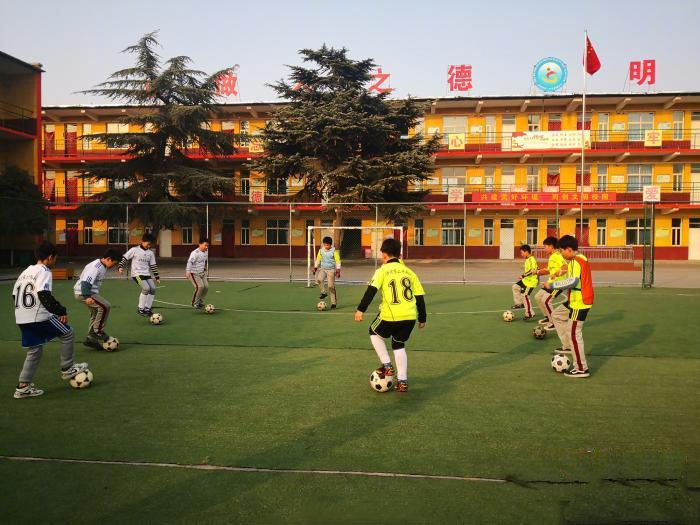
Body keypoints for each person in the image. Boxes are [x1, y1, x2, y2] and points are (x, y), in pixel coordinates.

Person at [12, 241, 89, 399]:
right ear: (49, 257)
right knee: (68, 333)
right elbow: (43, 294)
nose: (55, 261)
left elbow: (14, 295)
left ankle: (23, 387)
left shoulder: (26, 271)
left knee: (35, 350)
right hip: (37, 316)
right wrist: (60, 310)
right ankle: (67, 368)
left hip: (21, 317)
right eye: (55, 258)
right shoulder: (44, 270)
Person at [355, 238, 426, 393]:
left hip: (391, 315)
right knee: (398, 344)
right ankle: (402, 381)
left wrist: (361, 309)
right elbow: (419, 296)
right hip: (409, 317)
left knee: (373, 332)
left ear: (384, 255)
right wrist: (422, 318)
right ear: (399, 254)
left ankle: (387, 366)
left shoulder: (382, 271)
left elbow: (371, 291)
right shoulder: (410, 272)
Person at [545, 235, 595, 378]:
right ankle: (567, 346)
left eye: (561, 251)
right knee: (557, 316)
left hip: (580, 301)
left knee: (574, 332)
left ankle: (581, 368)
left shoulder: (576, 261)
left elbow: (573, 282)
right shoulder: (578, 258)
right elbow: (569, 269)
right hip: (575, 300)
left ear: (568, 249)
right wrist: (559, 271)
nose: (560, 253)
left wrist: (552, 285)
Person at [74, 248, 122, 349]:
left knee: (95, 314)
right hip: (84, 292)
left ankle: (91, 339)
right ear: (108, 259)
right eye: (114, 263)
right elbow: (85, 282)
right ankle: (98, 332)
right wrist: (87, 297)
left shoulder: (102, 265)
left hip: (88, 292)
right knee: (105, 306)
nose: (114, 265)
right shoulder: (96, 267)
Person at [118, 233, 160, 316]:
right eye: (148, 244)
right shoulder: (134, 250)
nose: (149, 246)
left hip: (146, 274)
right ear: (143, 241)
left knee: (153, 289)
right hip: (136, 275)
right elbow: (125, 257)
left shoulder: (150, 253)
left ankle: (147, 308)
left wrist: (157, 277)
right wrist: (120, 266)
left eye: (150, 244)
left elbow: (153, 265)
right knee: (146, 288)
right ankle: (141, 308)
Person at [534, 237, 567, 331]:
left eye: (545, 246)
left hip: (559, 283)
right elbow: (548, 270)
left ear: (551, 246)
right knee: (538, 297)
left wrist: (558, 273)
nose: (544, 249)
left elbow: (565, 266)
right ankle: (547, 317)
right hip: (550, 282)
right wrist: (537, 272)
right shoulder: (552, 257)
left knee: (546, 300)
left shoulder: (557, 255)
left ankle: (554, 322)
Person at [511, 244, 538, 321]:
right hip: (526, 280)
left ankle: (530, 313)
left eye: (522, 252)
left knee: (525, 296)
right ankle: (519, 304)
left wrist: (523, 275)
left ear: (526, 252)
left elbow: (532, 271)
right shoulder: (527, 259)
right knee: (515, 287)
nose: (521, 254)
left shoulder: (532, 259)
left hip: (531, 282)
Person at [313, 236, 341, 309]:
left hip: (331, 270)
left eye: (327, 245)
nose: (326, 246)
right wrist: (315, 268)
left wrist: (338, 270)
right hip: (323, 269)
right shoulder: (321, 251)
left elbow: (338, 261)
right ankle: (324, 293)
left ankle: (334, 303)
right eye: (324, 245)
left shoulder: (334, 252)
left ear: (330, 245)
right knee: (319, 279)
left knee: (331, 286)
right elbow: (318, 259)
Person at [186, 238, 209, 310]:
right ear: (200, 244)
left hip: (202, 273)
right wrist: (187, 272)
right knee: (200, 287)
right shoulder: (195, 253)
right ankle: (195, 303)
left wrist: (204, 267)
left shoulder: (206, 252)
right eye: (205, 245)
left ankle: (200, 302)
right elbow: (190, 262)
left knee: (206, 287)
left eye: (207, 246)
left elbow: (202, 261)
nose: (206, 247)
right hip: (194, 273)